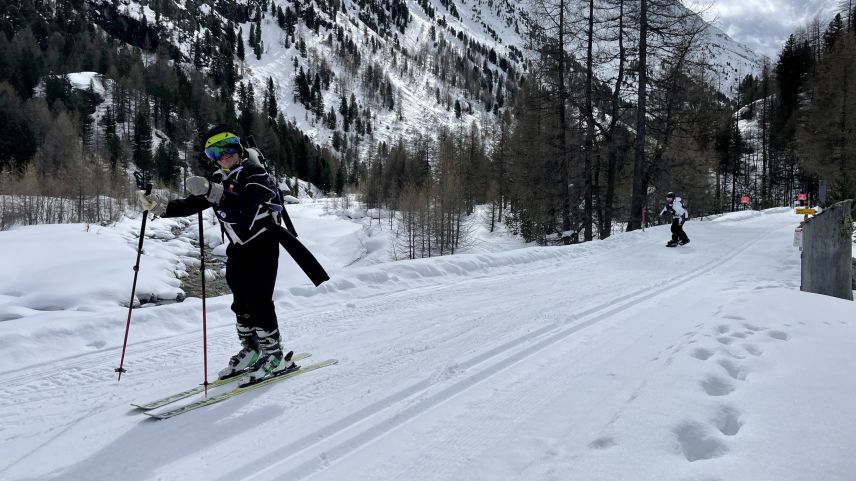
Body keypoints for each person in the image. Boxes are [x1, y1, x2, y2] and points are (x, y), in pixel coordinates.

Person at [138, 125, 295, 384]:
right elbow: (192, 205)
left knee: (260, 301)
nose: (224, 155)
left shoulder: (255, 174)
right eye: (215, 152)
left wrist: (214, 192)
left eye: (229, 147)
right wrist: (158, 206)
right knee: (241, 301)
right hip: (239, 249)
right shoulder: (219, 179)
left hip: (263, 246)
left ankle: (274, 354)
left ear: (240, 148)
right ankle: (253, 349)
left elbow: (248, 203)